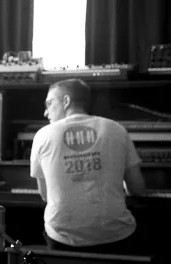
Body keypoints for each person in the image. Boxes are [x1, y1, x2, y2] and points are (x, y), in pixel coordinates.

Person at [30, 78, 146, 255]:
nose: (46, 112)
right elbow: (137, 188)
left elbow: (46, 196)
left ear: (66, 101)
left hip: (63, 238)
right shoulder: (116, 129)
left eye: (50, 103)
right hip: (117, 236)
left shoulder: (42, 135)